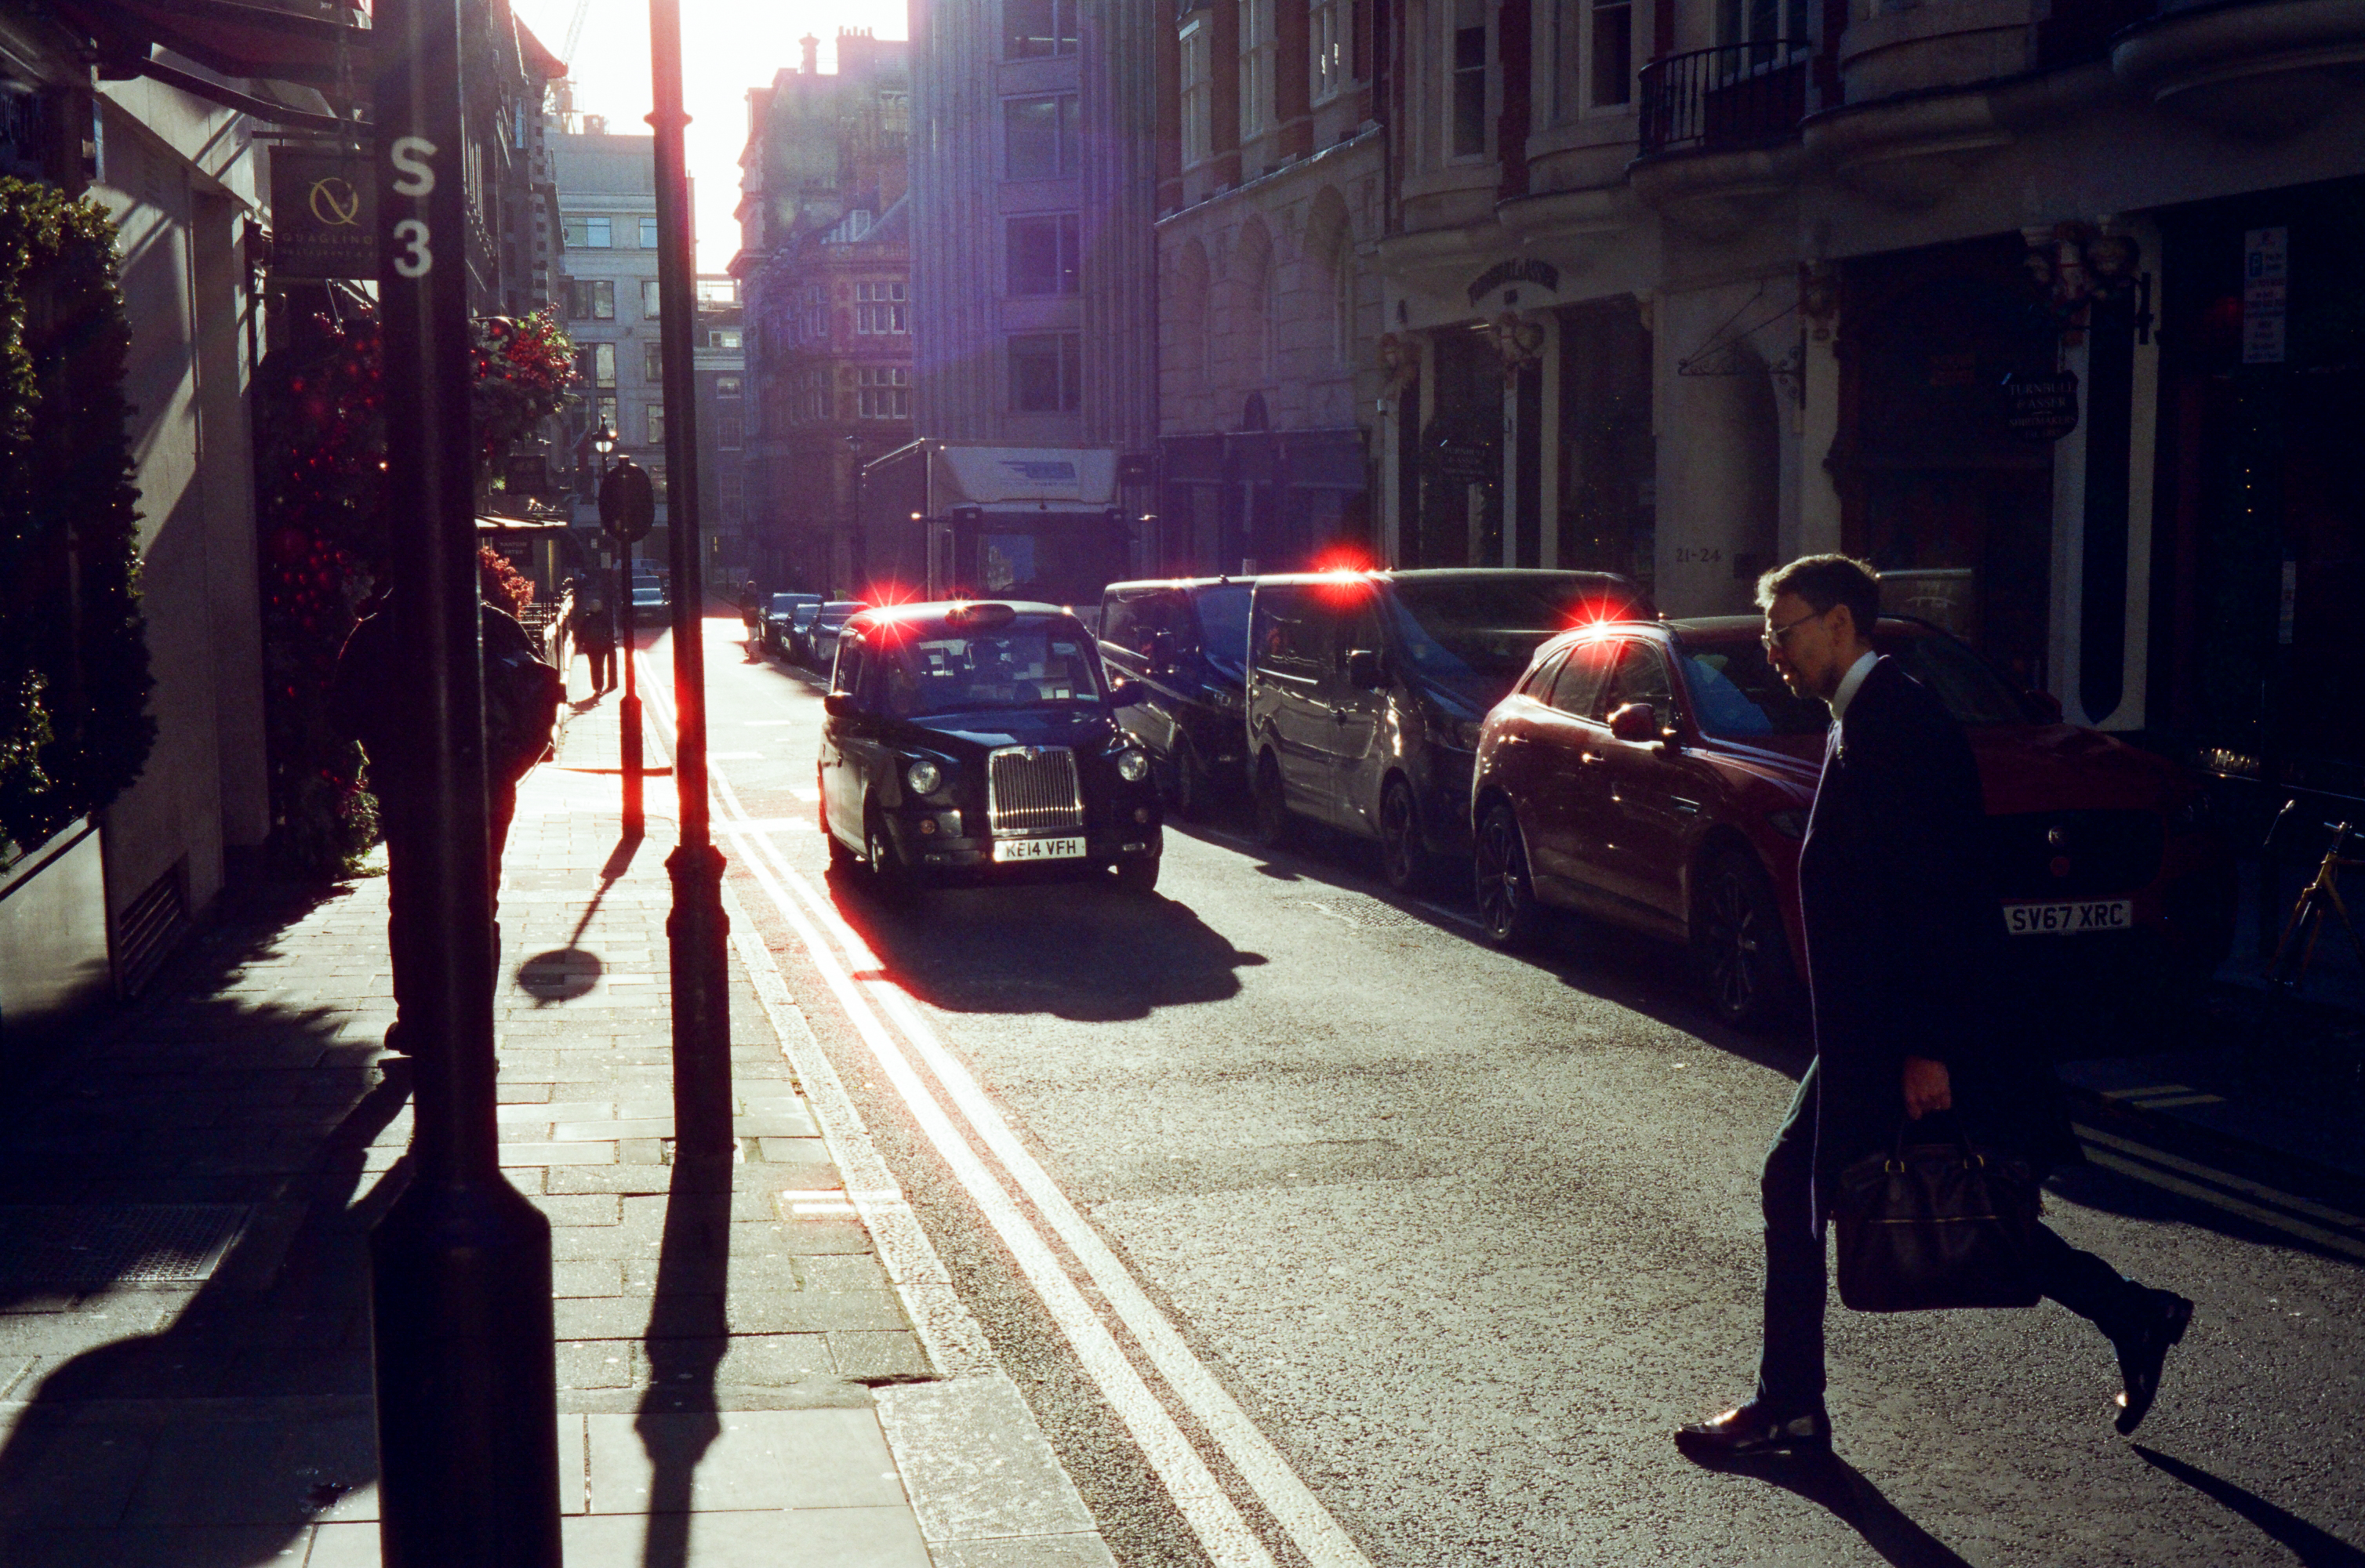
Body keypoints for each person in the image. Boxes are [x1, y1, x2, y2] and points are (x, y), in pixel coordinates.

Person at [1676, 554, 2192, 1461]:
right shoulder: (1863, 719)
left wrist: (1926, 1046)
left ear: (1839, 623)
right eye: (1769, 632)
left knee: (1884, 1191)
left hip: (1902, 1028)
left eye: (1784, 629)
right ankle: (2131, 1309)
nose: (1773, 650)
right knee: (1939, 1198)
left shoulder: (1897, 723)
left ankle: (1789, 1403)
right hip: (1871, 1027)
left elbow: (1941, 899)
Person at [331, 557, 563, 1056]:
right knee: (480, 900)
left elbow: (341, 713)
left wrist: (386, 752)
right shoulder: (498, 628)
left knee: (411, 900)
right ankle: (473, 1020)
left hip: (407, 789)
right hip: (486, 787)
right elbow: (539, 703)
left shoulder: (376, 633)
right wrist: (509, 769)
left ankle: (415, 1017)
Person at [572, 575, 616, 695]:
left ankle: (595, 687)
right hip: (602, 646)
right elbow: (611, 631)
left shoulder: (587, 619)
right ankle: (599, 688)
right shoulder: (604, 618)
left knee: (593, 667)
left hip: (590, 647)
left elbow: (581, 633)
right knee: (600, 667)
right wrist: (609, 641)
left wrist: (580, 645)